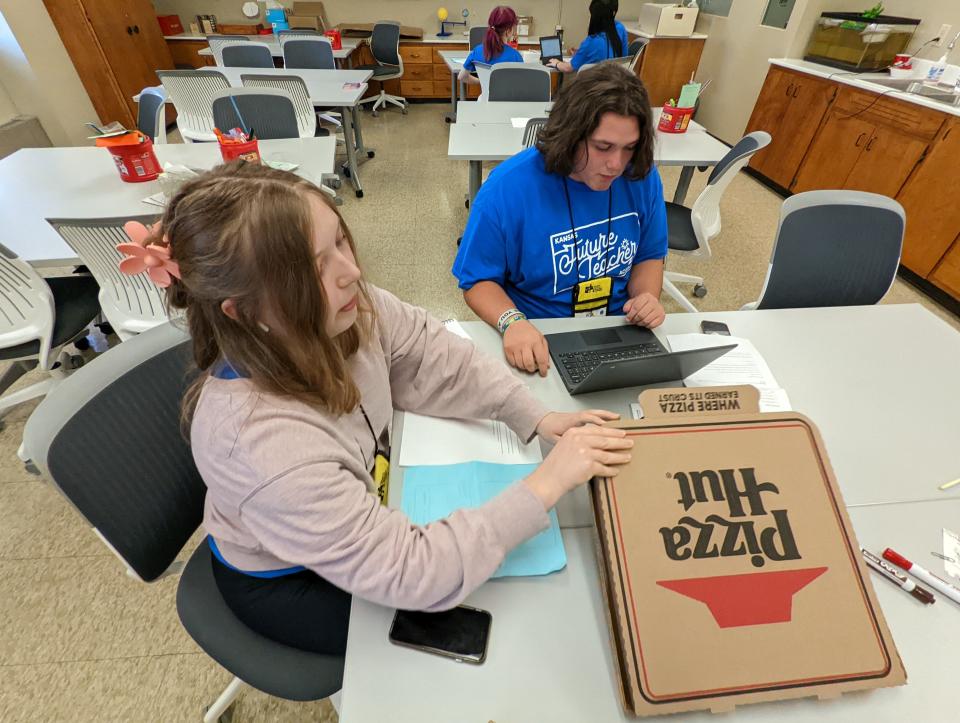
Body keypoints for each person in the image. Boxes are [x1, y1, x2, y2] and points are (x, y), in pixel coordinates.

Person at [120, 162, 633, 656]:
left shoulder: (344, 309)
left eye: (340, 241)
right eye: (314, 266)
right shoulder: (264, 448)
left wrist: (535, 416)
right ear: (244, 308)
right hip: (287, 580)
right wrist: (546, 485)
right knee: (458, 641)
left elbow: (433, 355)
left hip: (360, 502)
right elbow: (414, 574)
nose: (351, 273)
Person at [452, 63, 667, 377]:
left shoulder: (640, 176)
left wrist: (646, 298)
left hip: (618, 328)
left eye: (629, 148)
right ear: (571, 133)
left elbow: (648, 255)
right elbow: (477, 281)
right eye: (603, 147)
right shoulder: (507, 188)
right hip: (538, 335)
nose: (616, 164)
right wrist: (512, 322)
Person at [548, 0, 629, 73]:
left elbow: (568, 68)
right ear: (613, 13)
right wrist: (582, 53)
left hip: (595, 86)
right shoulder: (620, 28)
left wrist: (557, 63)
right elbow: (624, 59)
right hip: (616, 83)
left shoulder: (591, 42)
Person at [458, 6, 523, 89]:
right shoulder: (515, 56)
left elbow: (461, 77)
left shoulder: (477, 51)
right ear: (509, 31)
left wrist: (482, 81)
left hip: (485, 100)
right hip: (508, 101)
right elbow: (520, 84)